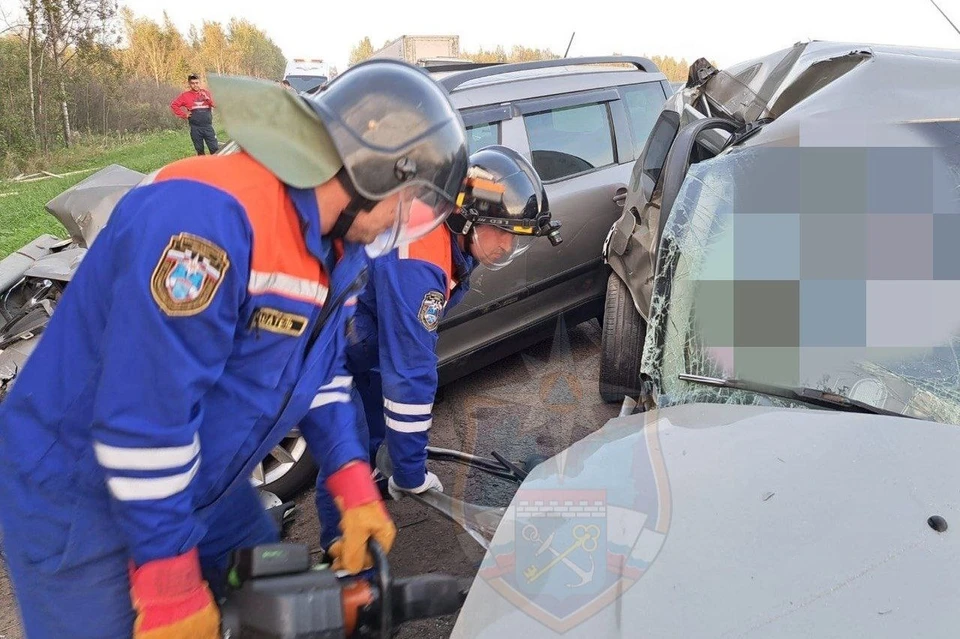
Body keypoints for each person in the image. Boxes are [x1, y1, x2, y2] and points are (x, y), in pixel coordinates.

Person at [0, 59, 469, 639]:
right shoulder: (206, 224)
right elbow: (144, 418)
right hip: (80, 491)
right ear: (374, 173)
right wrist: (169, 580)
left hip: (203, 480)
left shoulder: (339, 252)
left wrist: (350, 474)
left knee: (270, 598)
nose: (408, 225)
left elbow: (321, 376)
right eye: (411, 205)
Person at [313, 144, 558, 554]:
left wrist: (398, 450)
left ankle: (372, 509)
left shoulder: (451, 239)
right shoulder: (418, 262)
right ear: (471, 218)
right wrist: (411, 474)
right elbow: (410, 373)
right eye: (507, 236)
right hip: (328, 351)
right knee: (347, 454)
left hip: (363, 345)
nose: (507, 250)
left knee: (377, 438)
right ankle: (345, 560)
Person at [170, 74, 220, 155]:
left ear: (200, 82)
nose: (195, 85)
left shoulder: (207, 93)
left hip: (208, 127)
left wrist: (208, 99)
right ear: (189, 84)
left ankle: (216, 166)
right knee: (200, 150)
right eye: (193, 83)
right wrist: (184, 115)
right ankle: (203, 166)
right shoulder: (185, 96)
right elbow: (174, 105)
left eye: (197, 83)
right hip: (195, 128)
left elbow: (216, 105)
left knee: (214, 149)